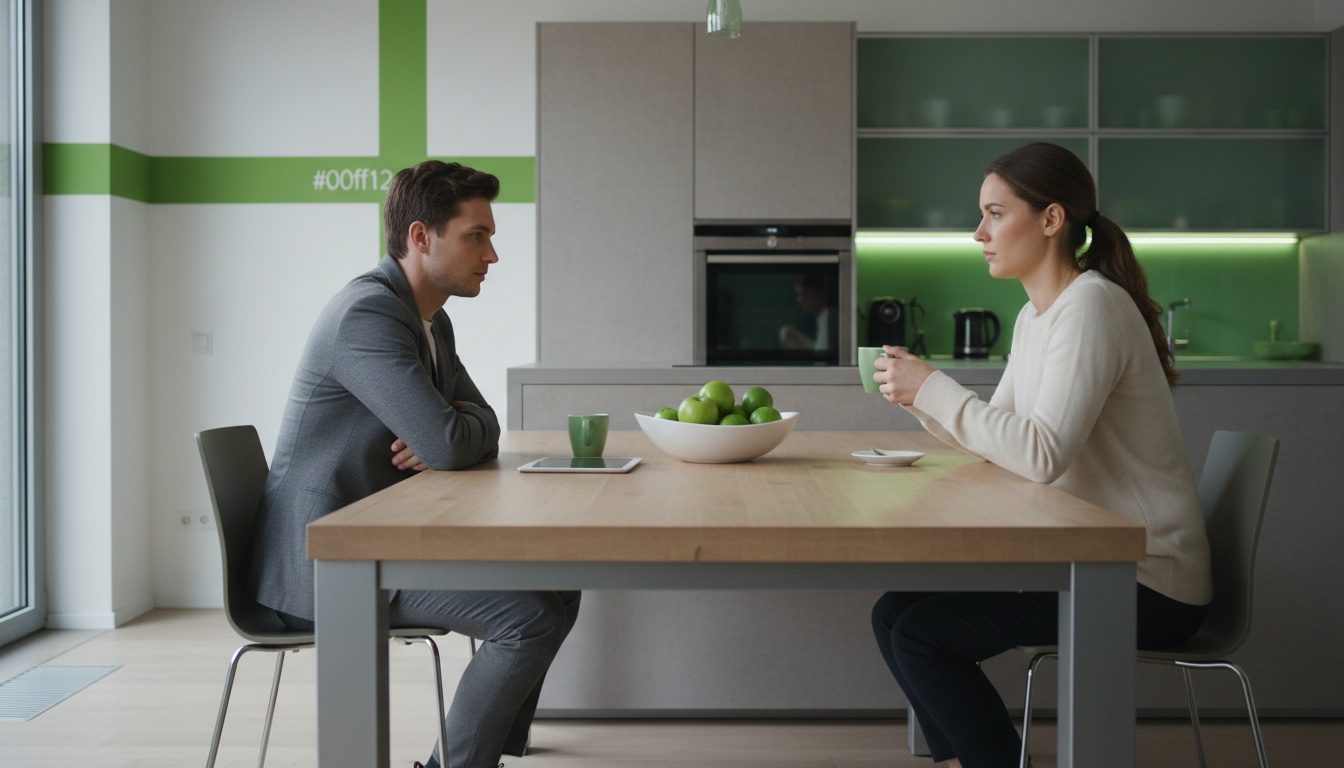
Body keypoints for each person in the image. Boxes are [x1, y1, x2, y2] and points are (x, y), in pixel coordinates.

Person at [867, 143, 1212, 768]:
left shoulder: (1092, 307)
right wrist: (919, 398)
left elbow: (1041, 454)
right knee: (896, 612)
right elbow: (1002, 441)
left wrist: (936, 388)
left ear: (1051, 219)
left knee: (921, 635)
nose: (979, 233)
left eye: (995, 214)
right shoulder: (1037, 316)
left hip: (1145, 579)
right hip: (1094, 561)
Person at [249, 160, 580, 768]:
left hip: (383, 534)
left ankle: (494, 742)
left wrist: (456, 429)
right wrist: (451, 431)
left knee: (561, 579)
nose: (492, 255)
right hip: (330, 558)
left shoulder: (430, 319)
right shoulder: (367, 316)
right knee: (528, 618)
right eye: (476, 236)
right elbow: (451, 443)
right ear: (421, 237)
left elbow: (483, 424)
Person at [779, 274, 837, 352]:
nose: (799, 300)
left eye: (802, 294)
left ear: (815, 293)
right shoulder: (824, 317)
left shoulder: (830, 317)